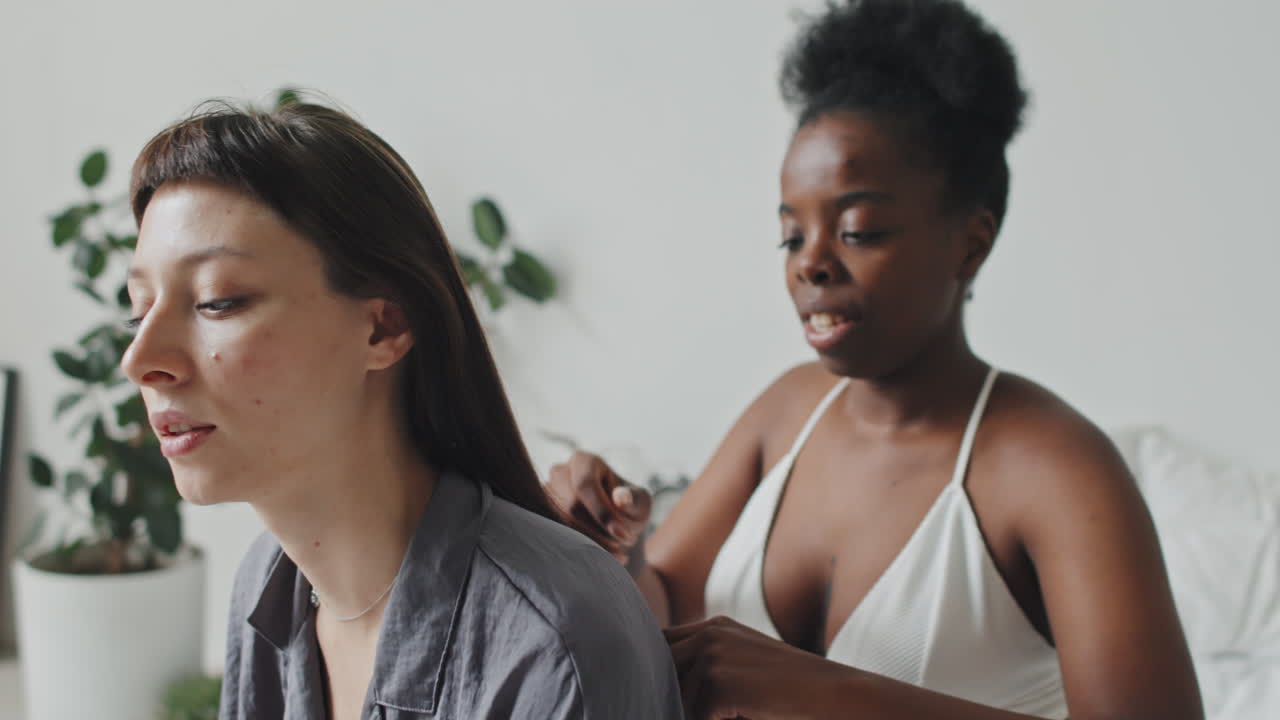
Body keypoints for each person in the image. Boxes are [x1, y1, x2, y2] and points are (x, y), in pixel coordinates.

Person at [547, 1, 1203, 718]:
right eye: (791, 237)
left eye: (858, 230)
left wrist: (820, 690)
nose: (811, 265)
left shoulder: (1056, 470)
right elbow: (666, 602)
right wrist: (613, 547)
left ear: (971, 244)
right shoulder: (787, 411)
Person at [122, 100, 683, 720]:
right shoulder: (269, 587)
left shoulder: (553, 644)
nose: (140, 359)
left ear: (384, 327)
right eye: (137, 308)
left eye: (217, 301)